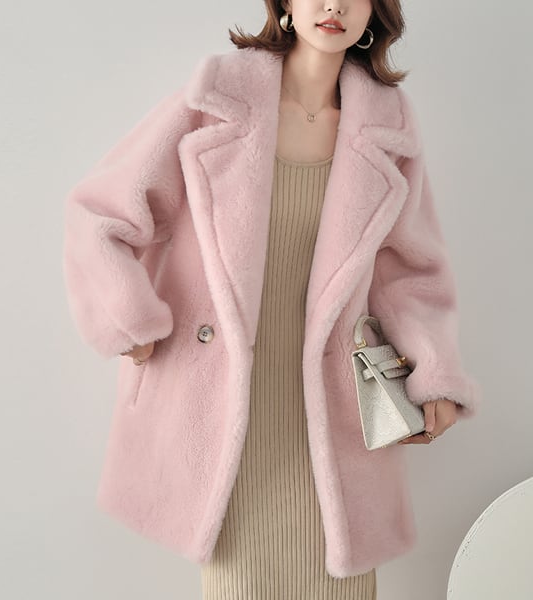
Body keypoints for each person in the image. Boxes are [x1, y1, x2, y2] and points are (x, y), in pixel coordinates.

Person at [62, 0, 481, 598]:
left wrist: (434, 373)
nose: (333, 5)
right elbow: (99, 216)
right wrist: (129, 318)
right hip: (224, 409)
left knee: (343, 579)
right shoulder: (212, 104)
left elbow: (410, 272)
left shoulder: (388, 131)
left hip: (334, 416)